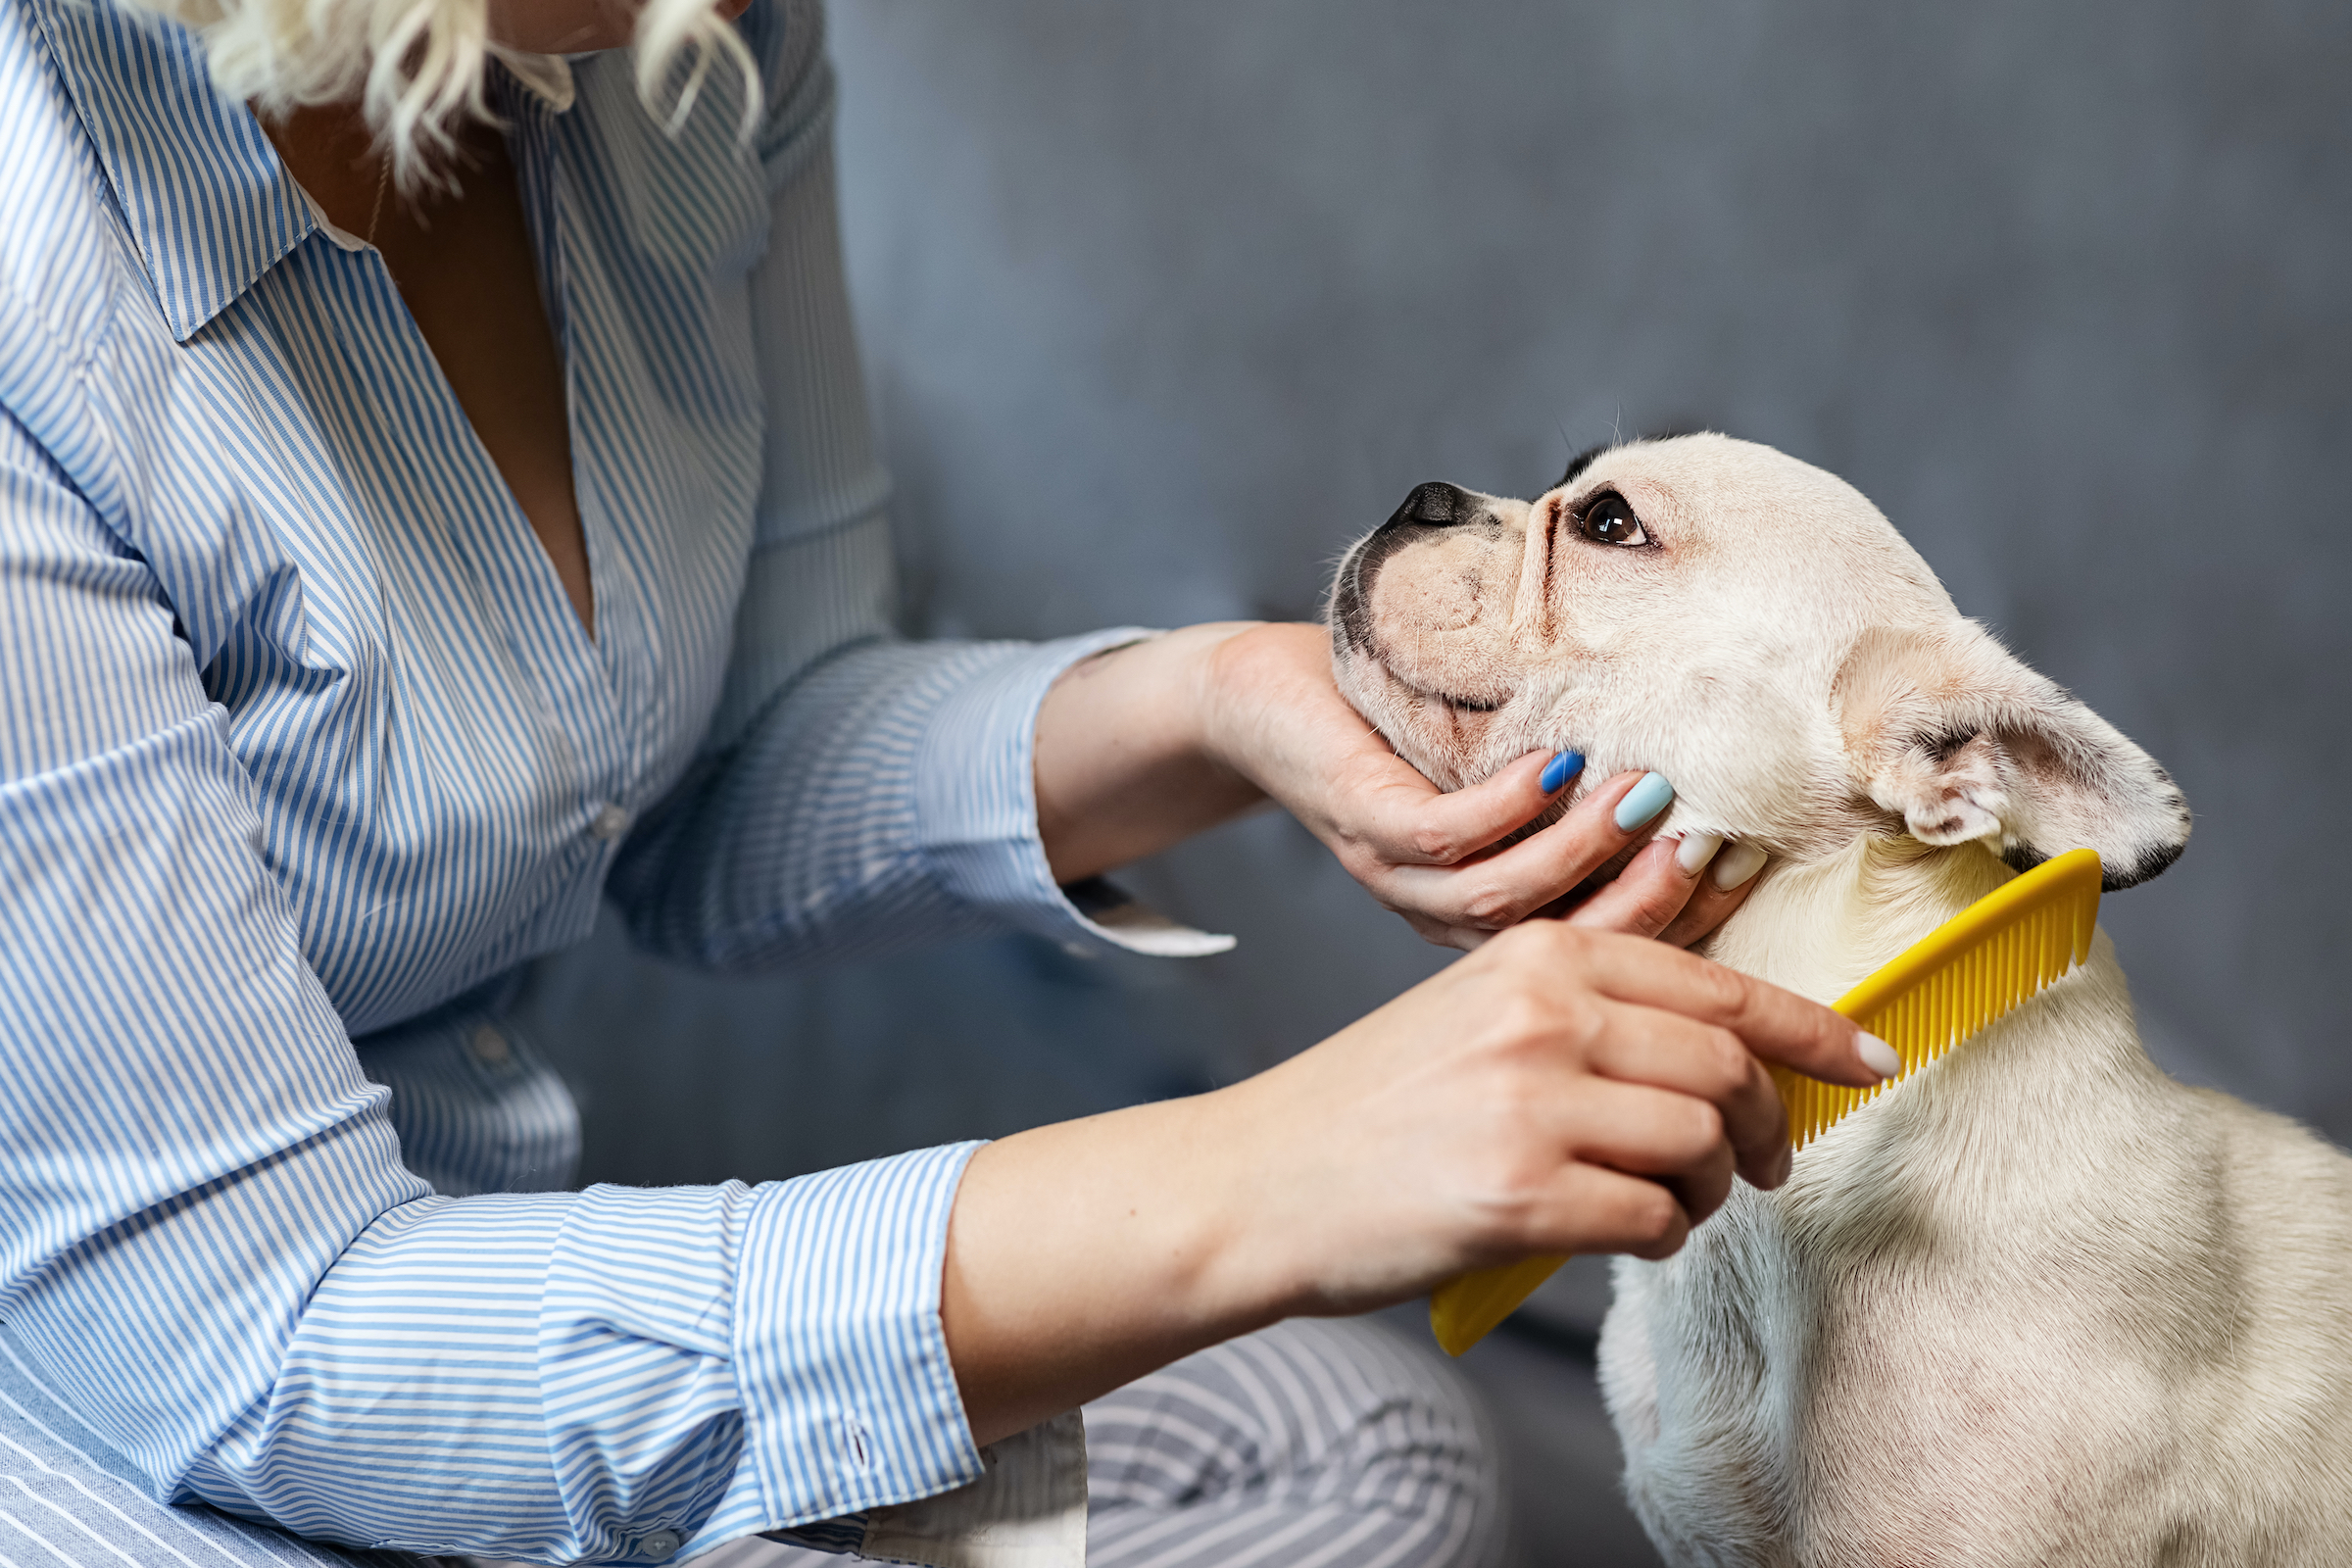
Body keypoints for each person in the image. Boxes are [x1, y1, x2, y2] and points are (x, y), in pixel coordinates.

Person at [0, 0, 1894, 1562]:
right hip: (155, 1417)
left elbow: (720, 759)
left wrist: (1220, 706)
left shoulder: (688, 50)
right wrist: (1274, 1168)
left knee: (1359, 1465)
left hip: (473, 1271)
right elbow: (269, 1340)